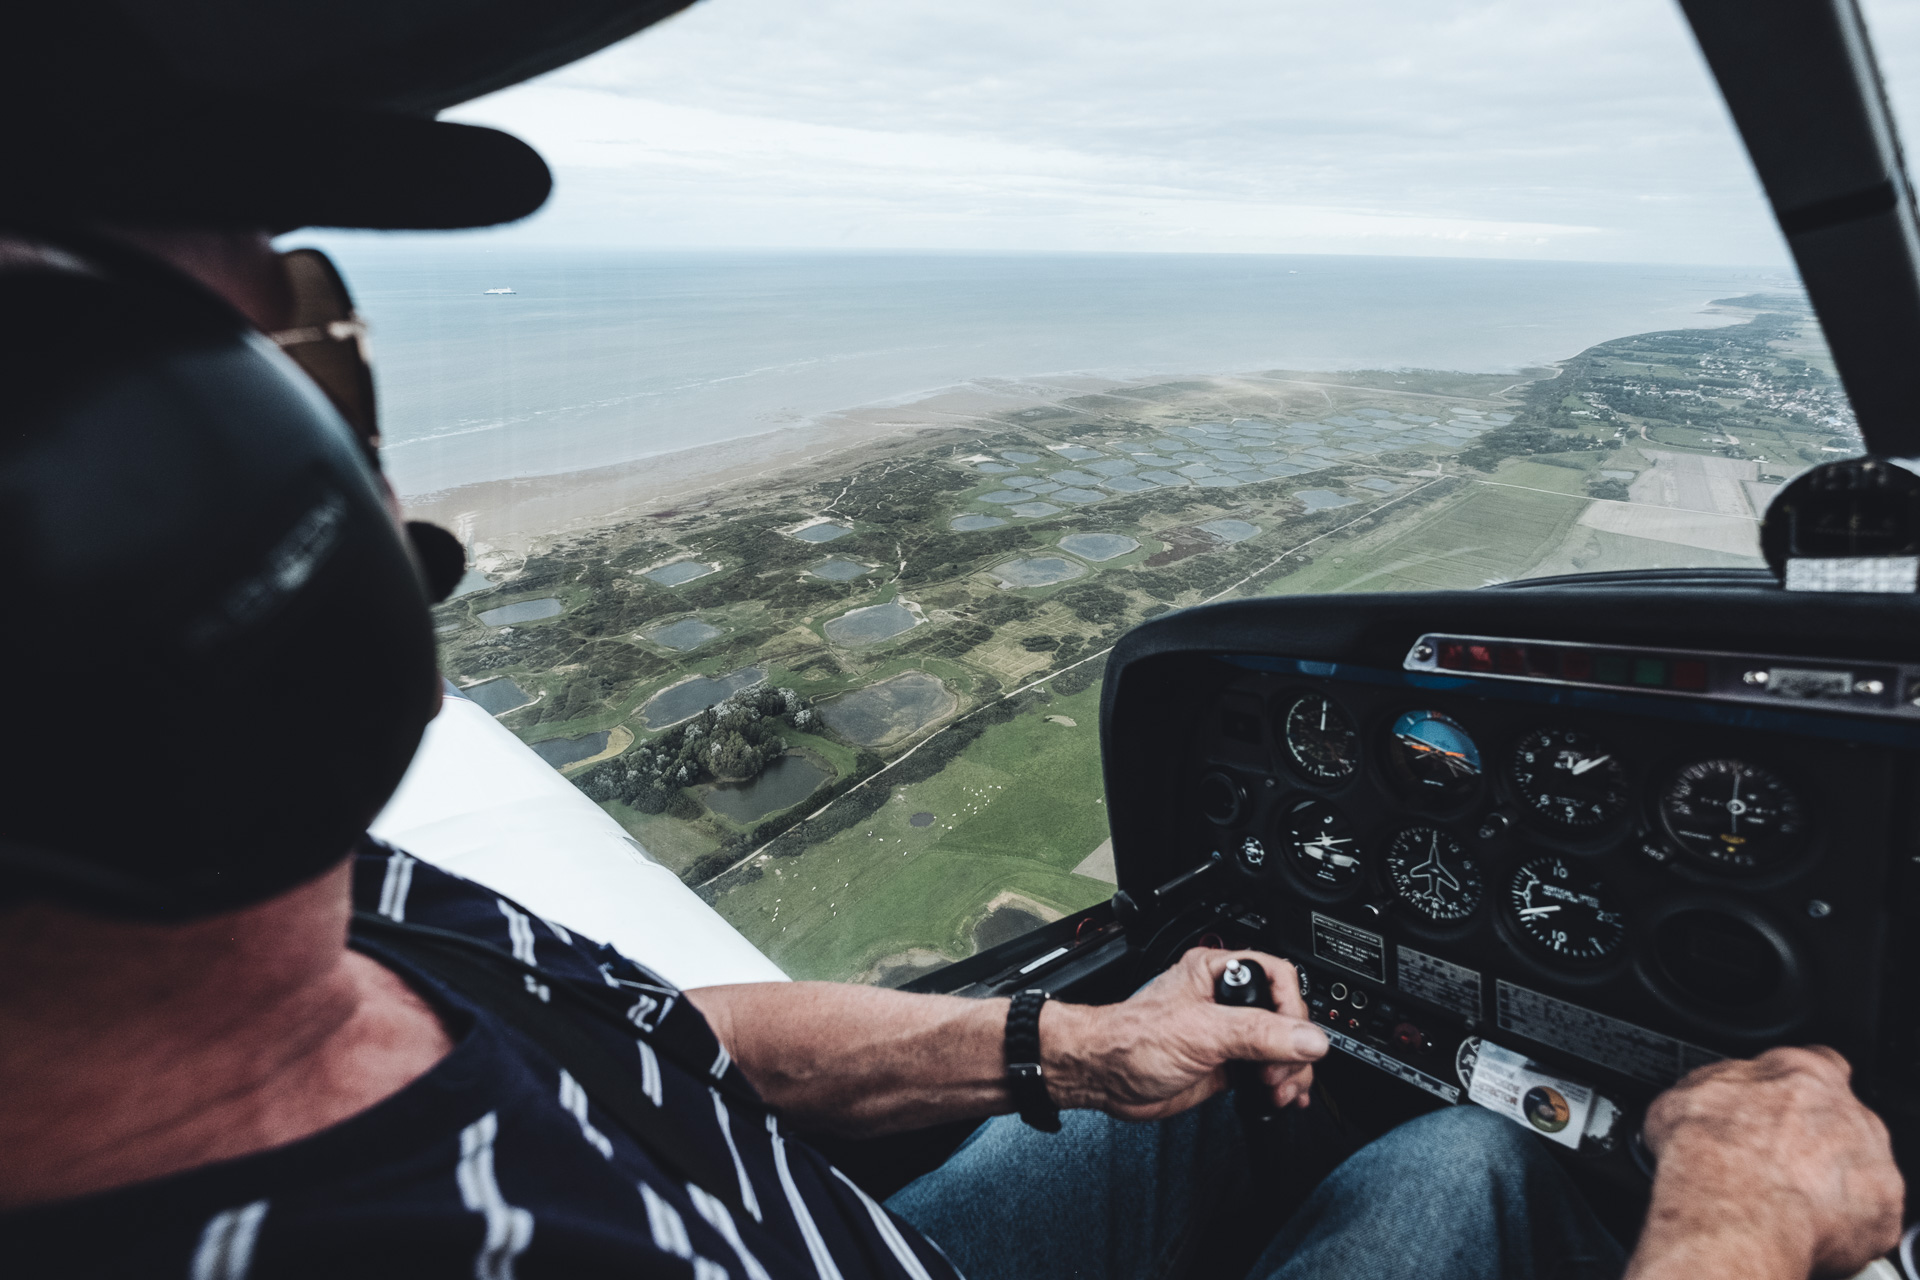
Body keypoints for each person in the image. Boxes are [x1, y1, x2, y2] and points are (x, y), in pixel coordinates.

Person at [0, 5, 1904, 1279]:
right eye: (267, 350)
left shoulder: (355, 900)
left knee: (1459, 1161)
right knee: (1462, 1170)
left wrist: (1064, 1043)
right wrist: (1735, 1235)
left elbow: (653, 1041)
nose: (355, 442)